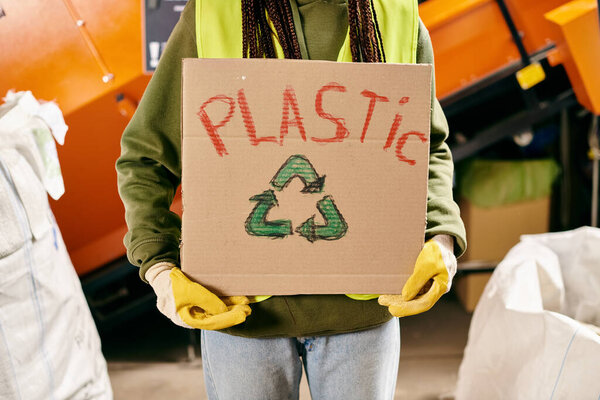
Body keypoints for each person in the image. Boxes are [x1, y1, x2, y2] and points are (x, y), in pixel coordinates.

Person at [116, 0, 466, 398]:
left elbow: (428, 146)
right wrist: (159, 269)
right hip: (240, 316)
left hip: (363, 320)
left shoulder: (395, 15)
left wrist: (441, 237)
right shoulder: (213, 14)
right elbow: (145, 156)